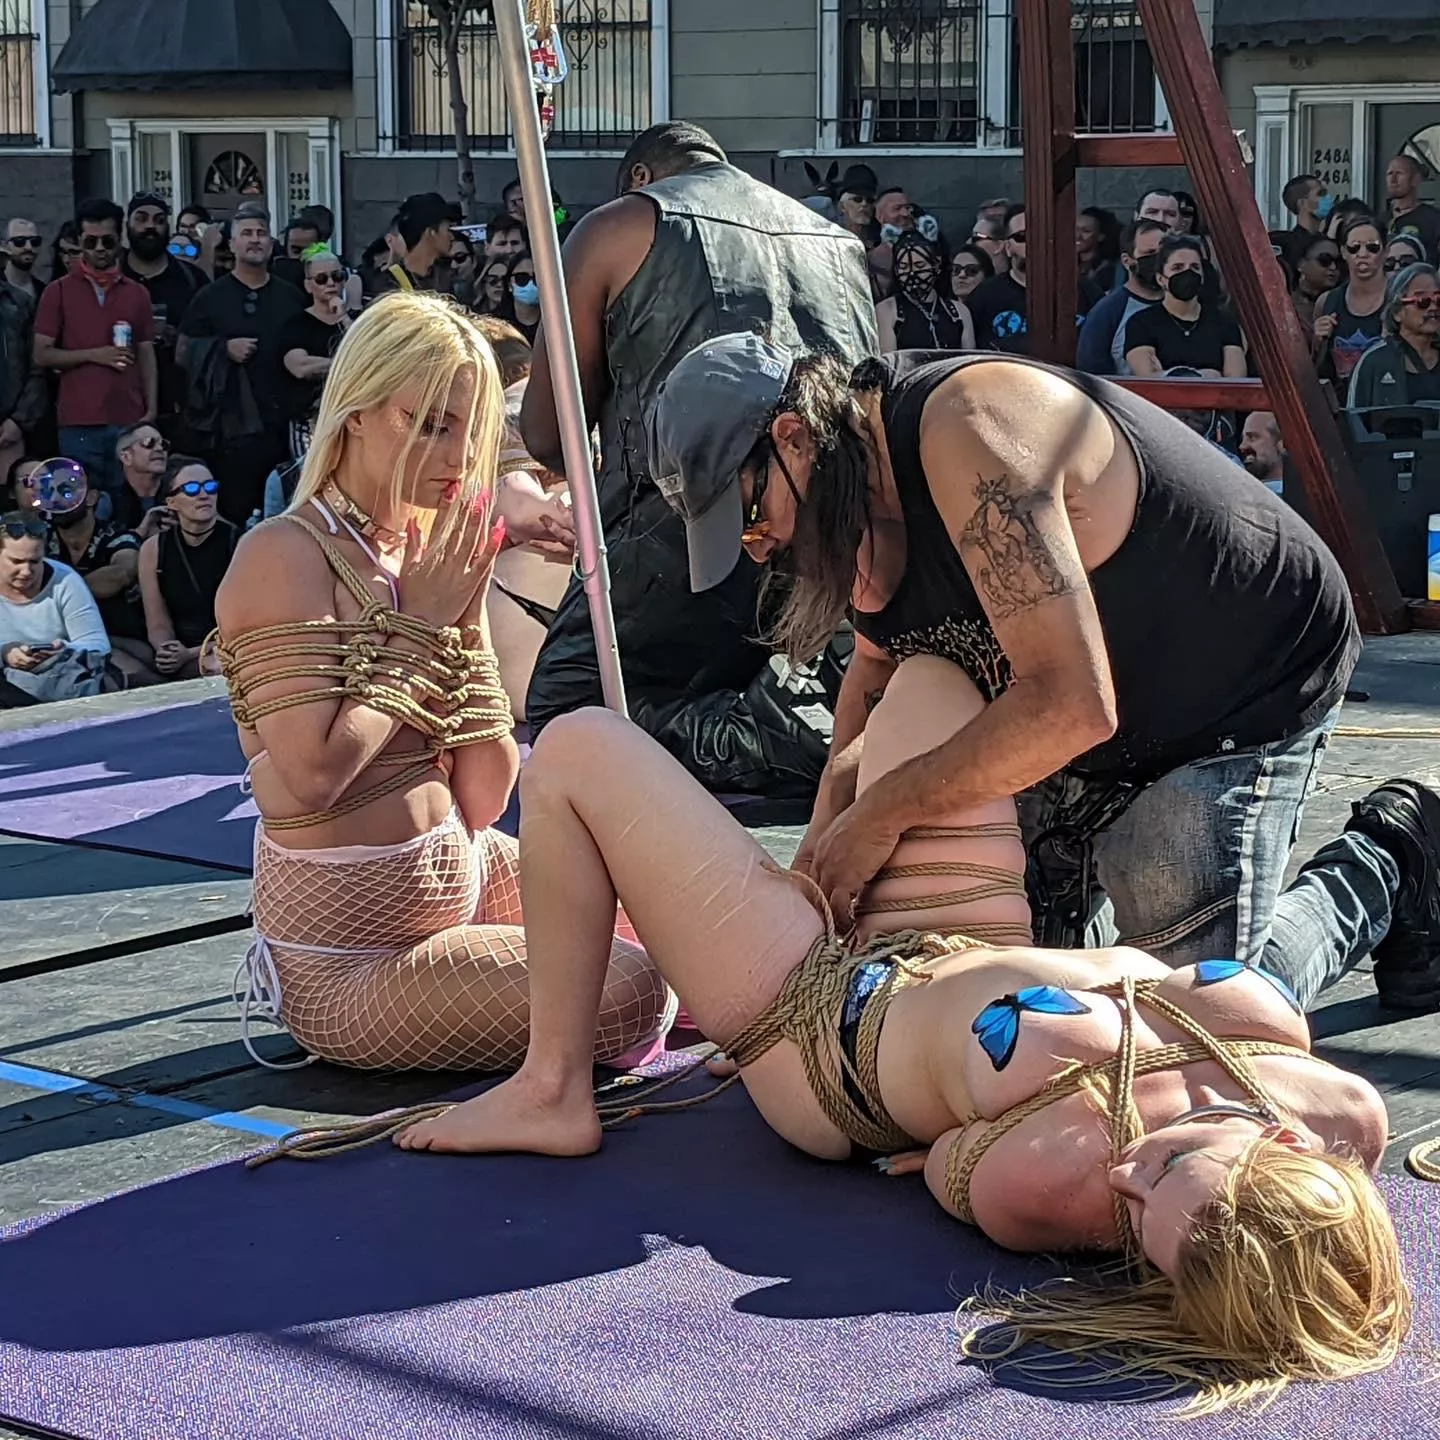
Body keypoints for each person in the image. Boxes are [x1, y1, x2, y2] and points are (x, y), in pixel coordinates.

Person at [384, 695, 1413, 1418]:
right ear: (1289, 1145)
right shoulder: (1345, 1115)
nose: (1130, 1177)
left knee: (575, 749)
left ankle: (551, 1087)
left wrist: (951, 1129)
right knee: (931, 673)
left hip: (817, 1024)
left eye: (1139, 1228)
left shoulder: (1053, 1180)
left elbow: (943, 1161)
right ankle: (827, 839)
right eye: (1173, 1166)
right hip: (957, 937)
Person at [638, 335, 1440, 1023]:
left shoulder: (969, 432)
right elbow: (874, 678)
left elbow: (1069, 706)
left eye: (750, 517)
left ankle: (1387, 862)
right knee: (1033, 1010)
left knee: (1193, 1020)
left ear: (793, 439)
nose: (759, 549)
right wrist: (820, 862)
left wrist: (881, 814)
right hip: (1086, 702)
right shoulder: (845, 492)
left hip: (1236, 682)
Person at [213, 291, 671, 1073]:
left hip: (465, 874)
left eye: (472, 431)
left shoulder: (427, 551)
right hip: (353, 969)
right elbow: (314, 775)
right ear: (356, 412)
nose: (459, 458)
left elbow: (485, 798)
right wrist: (422, 625)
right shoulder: (284, 554)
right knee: (629, 993)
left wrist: (461, 619)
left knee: (675, 924)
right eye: (428, 424)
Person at [519, 121, 875, 802]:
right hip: (820, 537)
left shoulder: (621, 226)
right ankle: (780, 734)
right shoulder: (837, 241)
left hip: (672, 536)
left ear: (640, 177)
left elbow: (549, 433)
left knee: (568, 710)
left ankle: (767, 738)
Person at [177, 201, 304, 525]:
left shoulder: (291, 297)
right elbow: (183, 353)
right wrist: (222, 349)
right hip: (229, 434)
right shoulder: (209, 298)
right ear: (232, 244)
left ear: (271, 244)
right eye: (246, 233)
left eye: (261, 233)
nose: (255, 239)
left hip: (282, 428)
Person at [34, 198, 158, 501]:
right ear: (79, 242)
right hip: (78, 421)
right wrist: (95, 354)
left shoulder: (137, 293)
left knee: (129, 503)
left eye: (107, 241)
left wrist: (152, 409)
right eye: (91, 241)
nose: (100, 248)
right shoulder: (58, 291)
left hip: (129, 418)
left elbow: (146, 354)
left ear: (120, 240)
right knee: (81, 504)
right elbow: (41, 354)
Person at [138, 454, 238, 680]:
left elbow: (247, 624)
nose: (204, 495)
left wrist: (191, 654)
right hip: (183, 651)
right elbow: (157, 622)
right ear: (171, 502)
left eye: (210, 487)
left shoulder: (239, 543)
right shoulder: (153, 549)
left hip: (231, 648)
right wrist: (166, 650)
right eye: (192, 489)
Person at [121, 192, 210, 439]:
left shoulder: (192, 280)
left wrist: (179, 338)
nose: (150, 226)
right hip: (119, 402)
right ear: (127, 225)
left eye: (159, 220)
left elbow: (211, 338)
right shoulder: (113, 276)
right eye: (142, 219)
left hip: (179, 407)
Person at [0, 508, 110, 704]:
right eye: (16, 561)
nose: (26, 571)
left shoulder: (65, 580)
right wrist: (5, 652)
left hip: (59, 681)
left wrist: (63, 649)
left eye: (35, 561)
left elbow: (98, 643)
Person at [1124, 234, 1245, 378]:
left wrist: (1169, 374)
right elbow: (1149, 378)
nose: (1187, 273)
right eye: (1177, 267)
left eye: (1195, 267)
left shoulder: (1225, 323)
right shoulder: (1141, 323)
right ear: (1161, 279)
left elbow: (1234, 381)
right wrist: (1209, 375)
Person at [1076, 218, 1165, 377]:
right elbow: (1093, 375)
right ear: (1127, 261)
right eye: (1149, 254)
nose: (1158, 261)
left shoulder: (1185, 305)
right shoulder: (1107, 312)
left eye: (1163, 254)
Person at [278, 246, 351, 441]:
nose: (331, 283)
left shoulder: (355, 321)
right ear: (308, 285)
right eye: (321, 279)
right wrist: (348, 365)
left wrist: (343, 318)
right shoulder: (297, 324)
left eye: (337, 276)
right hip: (311, 422)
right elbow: (300, 367)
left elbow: (370, 354)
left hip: (351, 417)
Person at [1346, 262, 1440, 413]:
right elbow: (1353, 420)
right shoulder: (1372, 361)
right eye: (1423, 302)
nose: (1433, 308)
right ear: (1397, 312)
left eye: (1438, 300)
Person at [1316, 216, 1389, 385]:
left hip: (1387, 396)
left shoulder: (1399, 297)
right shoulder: (1326, 301)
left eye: (1372, 247)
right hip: (1339, 398)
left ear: (1386, 251)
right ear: (1343, 252)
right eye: (1354, 247)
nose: (1362, 254)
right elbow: (1316, 369)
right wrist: (1317, 341)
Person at [875, 232, 971, 352]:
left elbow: (970, 358)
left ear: (936, 265)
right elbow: (889, 359)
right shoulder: (887, 311)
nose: (912, 274)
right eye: (904, 267)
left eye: (919, 266)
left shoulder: (959, 312)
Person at [967, 204, 1032, 352]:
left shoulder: (1078, 291)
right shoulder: (984, 296)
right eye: (1022, 237)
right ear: (1007, 247)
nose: (1033, 243)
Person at [381, 192, 462, 294]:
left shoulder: (445, 278)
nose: (452, 237)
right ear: (431, 232)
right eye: (448, 229)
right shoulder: (389, 284)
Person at [1385, 154, 1440, 263]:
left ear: (1415, 179)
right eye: (1390, 174)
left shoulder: (1433, 219)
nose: (1393, 179)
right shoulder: (1381, 219)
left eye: (1399, 173)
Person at [1276, 174, 1334, 271]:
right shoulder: (1291, 247)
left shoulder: (1327, 236)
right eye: (1320, 194)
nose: (1327, 198)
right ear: (1302, 203)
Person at [1238, 411, 1287, 496]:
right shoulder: (1235, 493)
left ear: (1282, 444)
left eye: (1252, 437)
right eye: (1243, 438)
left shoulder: (1304, 498)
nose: (1242, 446)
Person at [1076, 205, 1120, 296]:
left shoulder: (1109, 269)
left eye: (1086, 231)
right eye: (1075, 229)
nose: (1077, 236)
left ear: (1101, 236)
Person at [497, 252, 540, 344]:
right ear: (509, 284)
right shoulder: (496, 324)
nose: (530, 284)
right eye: (521, 278)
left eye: (537, 278)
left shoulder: (556, 321)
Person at [4, 217, 44, 306]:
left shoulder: (44, 291)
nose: (29, 247)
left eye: (34, 241)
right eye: (19, 241)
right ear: (6, 246)